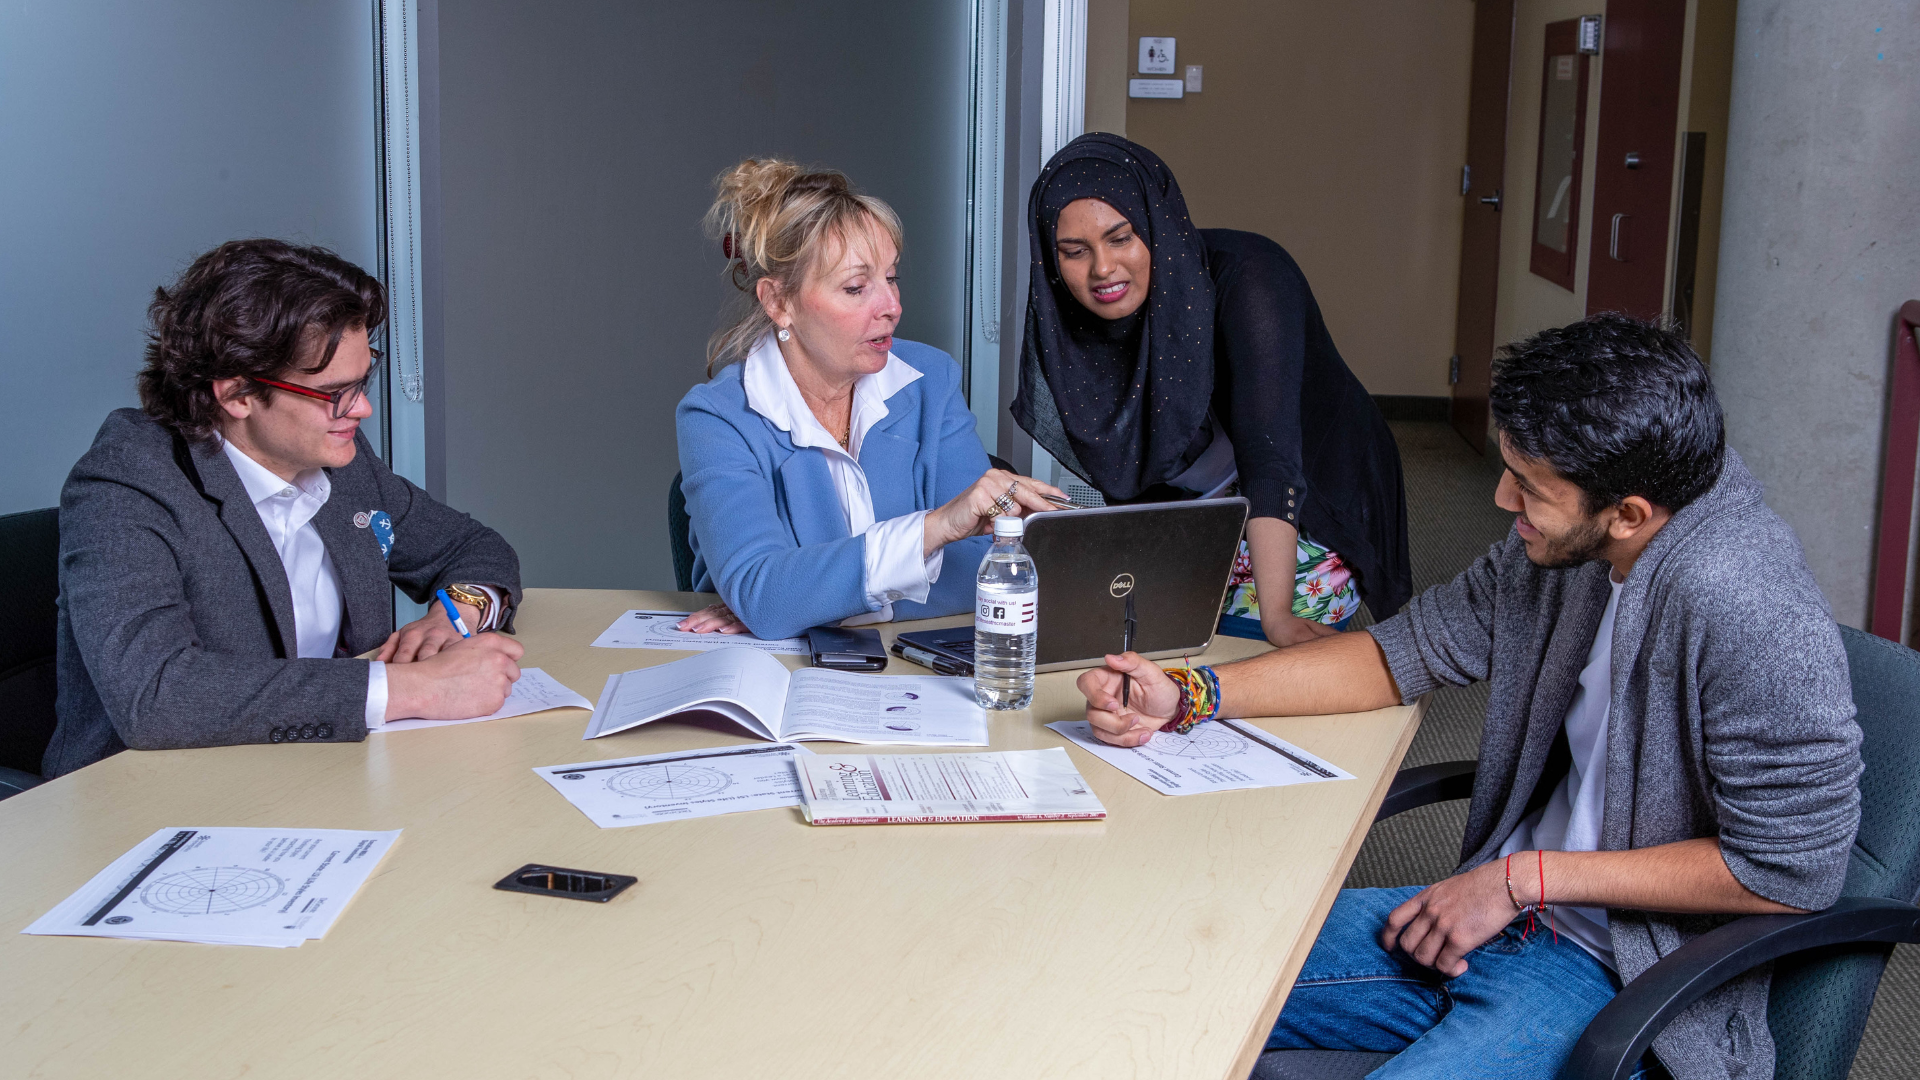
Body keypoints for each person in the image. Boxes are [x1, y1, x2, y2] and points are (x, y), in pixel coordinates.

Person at [1075, 314, 1861, 1080]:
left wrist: (1527, 879)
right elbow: (1402, 654)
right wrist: (1187, 693)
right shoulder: (1569, 547)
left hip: (1620, 979)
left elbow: (1788, 872)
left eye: (1528, 486)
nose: (1499, 500)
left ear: (1628, 515)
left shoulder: (1752, 610)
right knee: (1149, 968)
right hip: (1494, 916)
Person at [44, 239, 526, 778]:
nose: (362, 409)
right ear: (237, 395)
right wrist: (414, 688)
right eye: (335, 392)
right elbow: (157, 694)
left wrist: (454, 615)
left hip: (315, 774)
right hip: (150, 806)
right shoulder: (124, 485)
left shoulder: (340, 459)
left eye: (362, 382)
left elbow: (470, 548)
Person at [1016, 133, 1411, 646]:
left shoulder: (1252, 278)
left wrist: (1277, 618)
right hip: (1192, 503)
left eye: (1121, 238)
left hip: (1307, 494)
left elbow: (1272, 461)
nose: (1103, 269)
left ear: (1155, 226)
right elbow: (1123, 465)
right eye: (1074, 252)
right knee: (1144, 637)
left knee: (1244, 657)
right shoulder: (1071, 318)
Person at [675, 159, 1066, 641]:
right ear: (779, 303)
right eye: (857, 288)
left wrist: (807, 601)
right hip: (773, 681)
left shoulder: (930, 380)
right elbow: (766, 596)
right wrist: (934, 530)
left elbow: (978, 579)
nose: (892, 307)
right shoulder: (716, 417)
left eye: (892, 278)